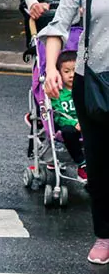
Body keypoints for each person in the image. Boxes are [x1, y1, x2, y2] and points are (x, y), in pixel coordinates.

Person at [42, 0, 109, 266]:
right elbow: (59, 25)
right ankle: (104, 235)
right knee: (98, 163)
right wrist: (51, 66)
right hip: (92, 81)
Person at [51, 50, 86, 181]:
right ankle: (82, 163)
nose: (71, 75)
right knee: (68, 132)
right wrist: (73, 123)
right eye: (67, 72)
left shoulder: (85, 88)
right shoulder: (57, 92)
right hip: (68, 125)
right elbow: (58, 115)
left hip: (85, 122)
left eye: (74, 71)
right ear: (59, 72)